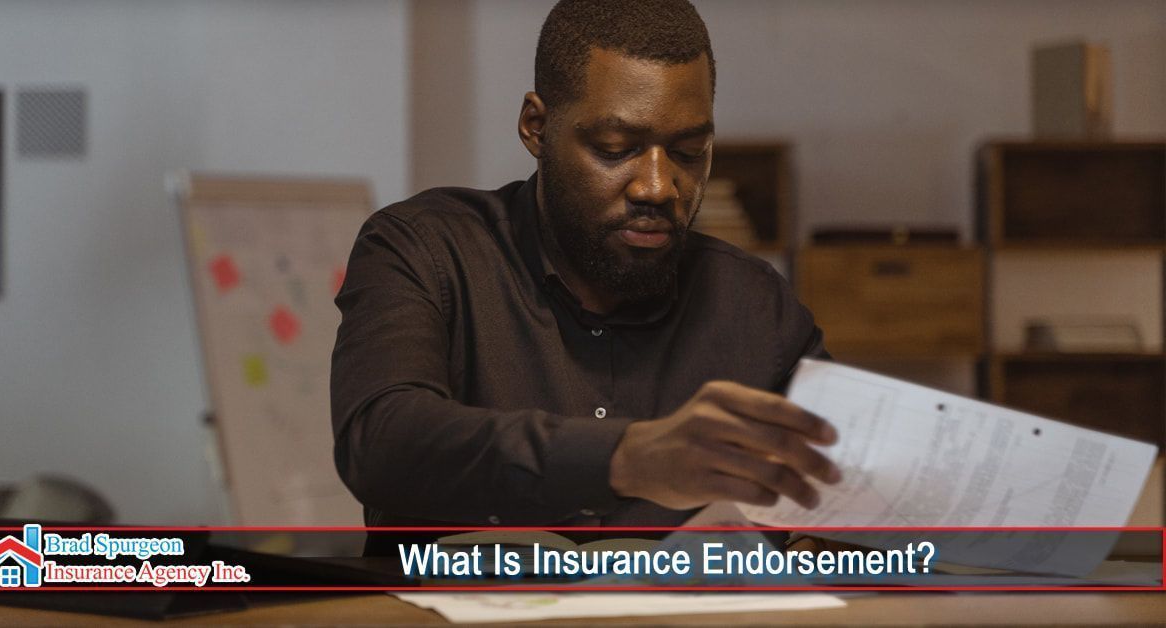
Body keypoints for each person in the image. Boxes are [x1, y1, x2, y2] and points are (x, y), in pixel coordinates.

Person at [330, 0, 841, 542]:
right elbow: (380, 441)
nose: (657, 187)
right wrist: (625, 458)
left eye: (689, 152)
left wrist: (825, 542)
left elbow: (854, 484)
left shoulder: (756, 305)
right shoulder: (426, 250)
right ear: (537, 127)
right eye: (615, 149)